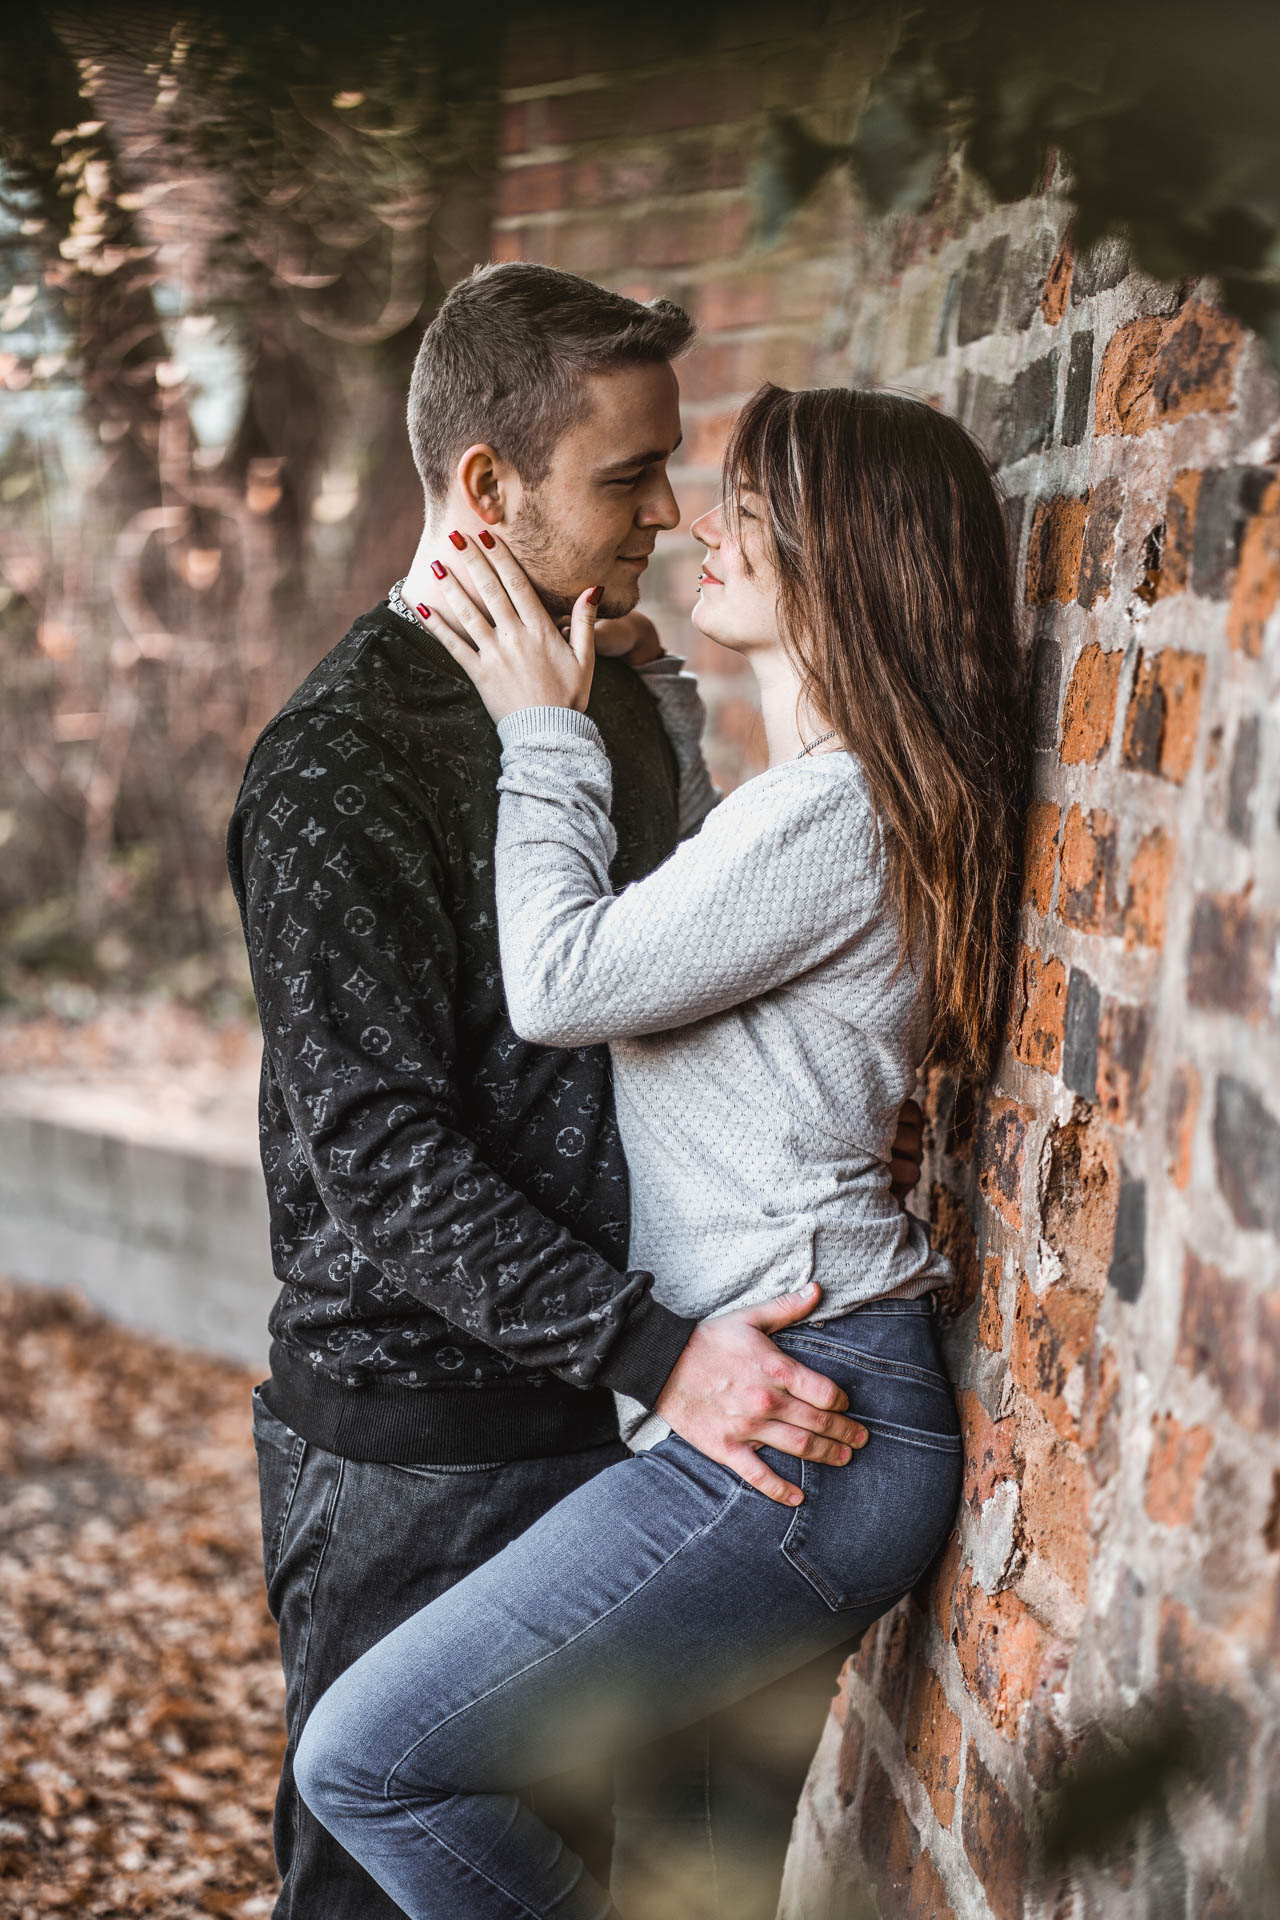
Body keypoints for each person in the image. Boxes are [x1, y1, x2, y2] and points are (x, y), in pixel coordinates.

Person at [227, 265, 925, 1920]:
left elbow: (695, 987)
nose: (671, 515)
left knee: (618, 1881)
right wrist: (661, 1353)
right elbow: (379, 1157)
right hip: (422, 1452)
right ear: (488, 486)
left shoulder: (604, 692)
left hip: (644, 1423)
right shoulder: (337, 766)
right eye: (628, 476)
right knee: (380, 1875)